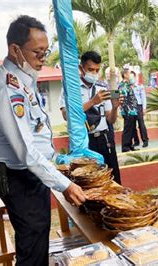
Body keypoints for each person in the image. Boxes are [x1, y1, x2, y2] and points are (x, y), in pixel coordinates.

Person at [0, 15, 86, 265]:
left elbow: (36, 133)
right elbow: (25, 150)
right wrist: (65, 185)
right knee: (32, 243)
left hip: (31, 174)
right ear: (15, 49)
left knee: (37, 239)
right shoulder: (7, 88)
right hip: (21, 178)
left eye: (46, 52)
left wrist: (55, 160)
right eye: (37, 52)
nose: (43, 58)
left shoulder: (23, 81)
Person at [59, 51, 123, 184]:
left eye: (97, 70)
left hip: (105, 139)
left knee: (113, 179)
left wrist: (115, 107)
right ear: (81, 68)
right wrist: (92, 102)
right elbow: (66, 115)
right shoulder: (71, 90)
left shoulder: (102, 88)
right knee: (89, 182)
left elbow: (110, 120)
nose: (94, 73)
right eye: (90, 69)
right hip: (84, 143)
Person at [119, 69, 139, 152]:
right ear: (125, 75)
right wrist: (122, 109)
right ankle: (125, 146)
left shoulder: (128, 85)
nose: (130, 75)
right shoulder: (122, 85)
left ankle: (130, 145)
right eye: (129, 73)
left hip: (133, 110)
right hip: (128, 111)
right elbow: (120, 98)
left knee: (132, 128)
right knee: (127, 129)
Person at [131, 71, 149, 148]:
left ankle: (145, 140)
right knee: (132, 125)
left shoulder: (139, 86)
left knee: (141, 124)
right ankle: (136, 141)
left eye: (132, 77)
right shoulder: (126, 86)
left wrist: (144, 108)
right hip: (130, 107)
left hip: (138, 106)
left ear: (135, 77)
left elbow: (143, 97)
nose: (131, 79)